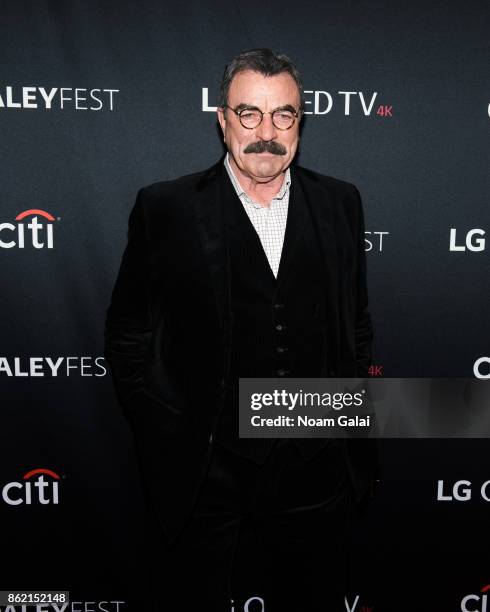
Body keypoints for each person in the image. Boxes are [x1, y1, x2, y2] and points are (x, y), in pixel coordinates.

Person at [104, 48, 376, 612]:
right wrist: (166, 425)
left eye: (284, 115)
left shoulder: (340, 203)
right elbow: (128, 333)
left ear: (301, 122)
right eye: (249, 113)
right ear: (222, 119)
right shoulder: (166, 208)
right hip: (205, 467)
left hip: (313, 462)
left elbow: (356, 326)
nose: (267, 133)